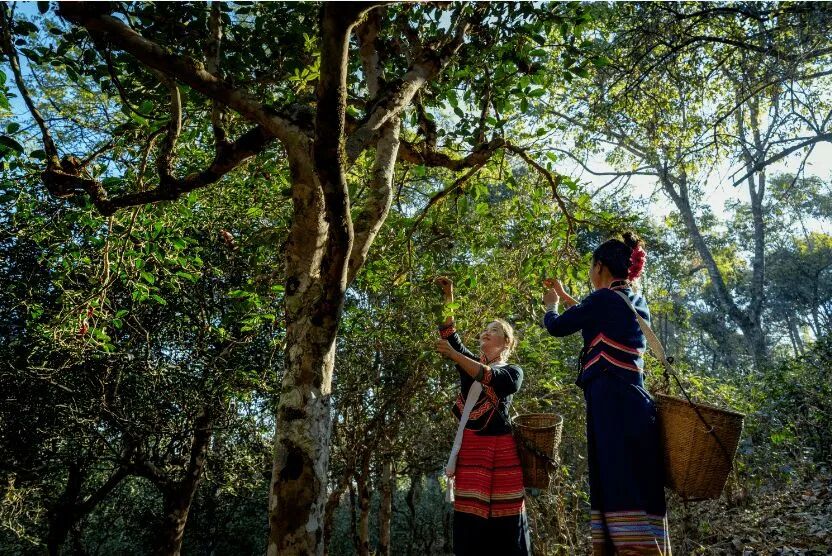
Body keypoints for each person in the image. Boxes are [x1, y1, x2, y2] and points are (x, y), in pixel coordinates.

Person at [542, 232, 671, 555]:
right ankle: (651, 545)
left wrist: (551, 305)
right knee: (640, 476)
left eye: (591, 267)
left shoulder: (601, 301)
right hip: (637, 403)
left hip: (610, 402)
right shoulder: (635, 301)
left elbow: (557, 327)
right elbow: (598, 314)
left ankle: (627, 547)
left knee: (615, 474)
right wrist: (567, 296)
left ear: (599, 267)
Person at [434, 276, 531, 556]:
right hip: (472, 453)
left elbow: (490, 377)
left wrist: (455, 356)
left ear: (506, 343)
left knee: (508, 522)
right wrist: (448, 296)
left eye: (494, 330)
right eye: (485, 329)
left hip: (502, 455)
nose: (486, 332)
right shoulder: (469, 365)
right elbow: (448, 334)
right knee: (471, 523)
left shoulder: (513, 372)